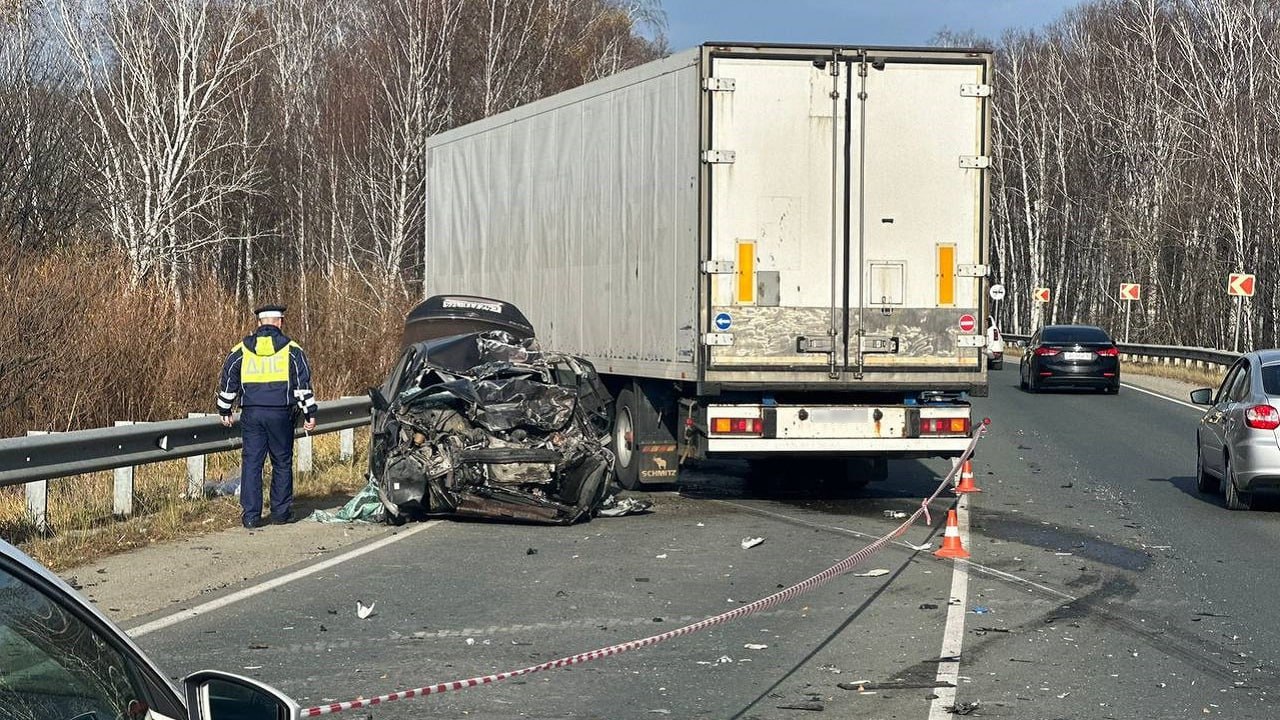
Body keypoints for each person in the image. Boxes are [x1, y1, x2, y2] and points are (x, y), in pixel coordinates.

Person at [215, 304, 317, 529]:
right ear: (280, 322)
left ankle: (251, 516)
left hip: (251, 413)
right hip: (281, 413)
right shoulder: (292, 349)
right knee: (281, 461)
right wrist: (309, 413)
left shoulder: (241, 349)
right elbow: (302, 386)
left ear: (259, 323)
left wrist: (224, 409)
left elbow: (229, 380)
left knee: (252, 462)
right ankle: (281, 513)